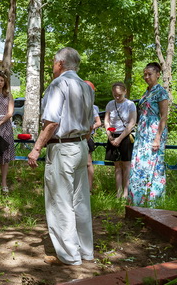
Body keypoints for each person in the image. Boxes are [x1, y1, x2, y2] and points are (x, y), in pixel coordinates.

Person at [27, 47, 95, 266]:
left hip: (62, 147)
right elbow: (90, 124)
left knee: (61, 201)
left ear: (60, 64)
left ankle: (69, 255)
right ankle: (85, 251)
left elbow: (52, 122)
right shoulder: (86, 87)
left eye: (53, 62)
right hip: (80, 146)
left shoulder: (59, 84)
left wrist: (36, 148)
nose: (52, 66)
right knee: (81, 200)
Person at [129, 62, 169, 207]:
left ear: (158, 74)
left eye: (149, 74)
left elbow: (164, 116)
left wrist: (157, 137)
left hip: (154, 133)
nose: (146, 77)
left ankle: (153, 201)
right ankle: (138, 200)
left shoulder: (161, 92)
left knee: (154, 165)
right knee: (140, 164)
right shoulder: (146, 92)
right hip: (142, 132)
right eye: (145, 74)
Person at [105, 82, 137, 199]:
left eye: (119, 94)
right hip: (112, 135)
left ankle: (125, 193)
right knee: (117, 165)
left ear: (125, 92)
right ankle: (118, 193)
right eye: (115, 95)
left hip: (125, 136)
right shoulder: (110, 104)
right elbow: (107, 121)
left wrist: (119, 138)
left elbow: (132, 123)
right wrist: (109, 135)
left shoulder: (130, 104)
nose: (117, 97)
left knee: (126, 165)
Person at [84, 81, 102, 193]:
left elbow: (98, 122)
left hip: (87, 138)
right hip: (77, 138)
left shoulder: (93, 107)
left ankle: (89, 190)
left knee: (88, 163)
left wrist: (90, 128)